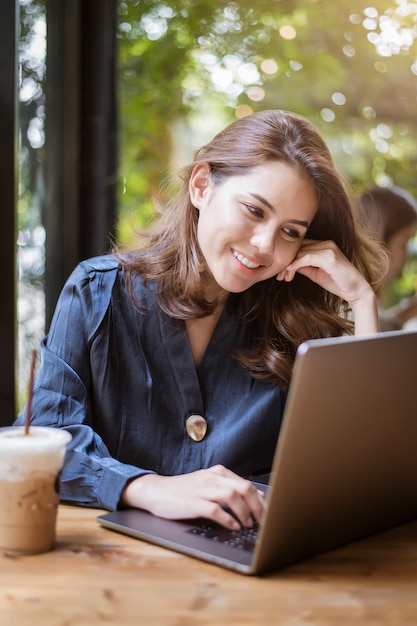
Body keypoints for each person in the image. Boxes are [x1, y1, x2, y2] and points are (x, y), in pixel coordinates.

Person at [16, 110, 387, 532]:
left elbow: (355, 474)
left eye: (291, 232)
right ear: (201, 186)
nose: (265, 245)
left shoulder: (295, 327)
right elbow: (41, 442)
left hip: (252, 570)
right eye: (253, 210)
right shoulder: (98, 293)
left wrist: (361, 302)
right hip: (112, 566)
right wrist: (148, 487)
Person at [360, 185, 417, 331]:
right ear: (380, 240)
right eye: (403, 244)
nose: (405, 257)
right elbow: (376, 337)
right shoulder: (347, 291)